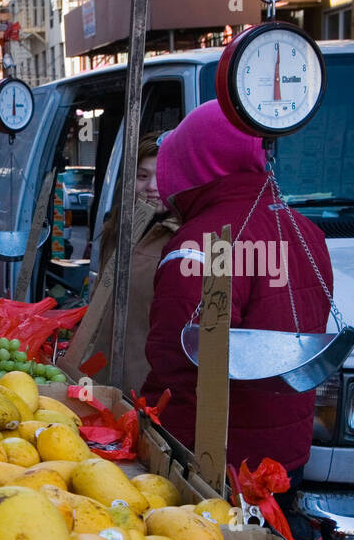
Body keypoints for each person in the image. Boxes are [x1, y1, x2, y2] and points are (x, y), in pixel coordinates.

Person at [140, 100, 333, 477]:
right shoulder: (305, 231)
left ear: (193, 162)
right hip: (283, 458)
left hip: (218, 464)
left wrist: (155, 448)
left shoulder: (204, 245)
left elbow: (181, 370)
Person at [79, 133, 179, 390]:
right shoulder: (116, 229)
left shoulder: (185, 238)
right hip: (104, 374)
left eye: (162, 175)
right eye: (143, 176)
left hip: (150, 385)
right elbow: (101, 308)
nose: (153, 187)